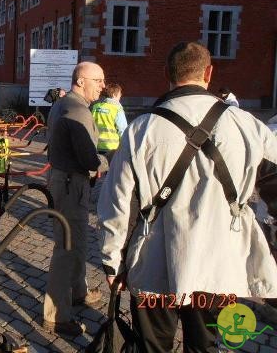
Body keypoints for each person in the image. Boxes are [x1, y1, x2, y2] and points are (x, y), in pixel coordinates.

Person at [98, 42, 277, 352]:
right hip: (219, 268)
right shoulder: (249, 125)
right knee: (206, 346)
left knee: (152, 347)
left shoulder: (141, 129)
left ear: (167, 73)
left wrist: (113, 263)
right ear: (209, 72)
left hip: (155, 265)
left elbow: (117, 204)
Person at [42, 61, 109, 338]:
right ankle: (55, 315)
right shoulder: (78, 110)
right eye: (99, 80)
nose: (103, 86)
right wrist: (107, 161)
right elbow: (89, 159)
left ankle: (78, 292)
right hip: (71, 183)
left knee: (77, 240)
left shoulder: (62, 103)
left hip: (64, 179)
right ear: (81, 81)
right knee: (67, 247)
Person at [91, 83, 127, 162]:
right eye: (120, 94)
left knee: (99, 169)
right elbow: (122, 129)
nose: (120, 97)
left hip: (96, 145)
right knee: (110, 172)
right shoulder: (117, 109)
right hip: (112, 148)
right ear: (114, 95)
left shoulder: (95, 107)